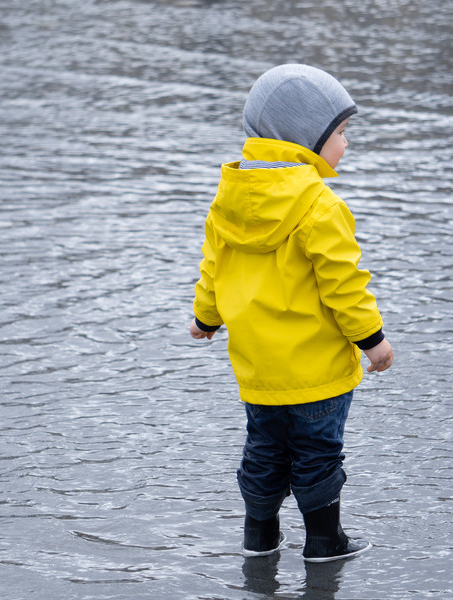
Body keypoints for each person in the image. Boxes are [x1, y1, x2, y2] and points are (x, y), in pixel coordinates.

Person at [189, 63, 393, 563]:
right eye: (341, 132)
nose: (346, 144)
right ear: (305, 138)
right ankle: (325, 541)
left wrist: (205, 318)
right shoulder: (320, 206)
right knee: (318, 454)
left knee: (264, 452)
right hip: (316, 371)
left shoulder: (229, 199)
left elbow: (215, 266)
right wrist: (374, 341)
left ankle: (259, 537)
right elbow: (344, 287)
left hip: (258, 369)